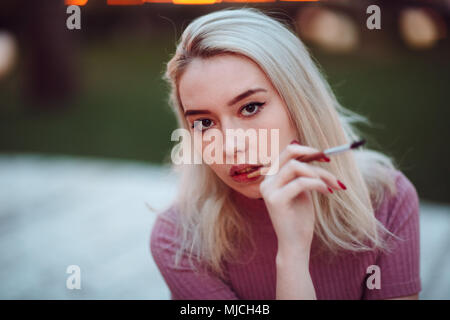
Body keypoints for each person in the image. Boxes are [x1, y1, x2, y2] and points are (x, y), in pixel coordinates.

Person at [150, 7, 421, 300]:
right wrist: (292, 255)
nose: (230, 147)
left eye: (250, 107)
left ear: (298, 102)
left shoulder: (387, 201)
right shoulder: (178, 240)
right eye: (204, 122)